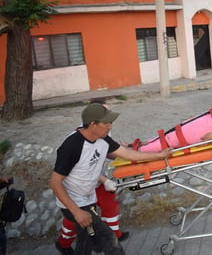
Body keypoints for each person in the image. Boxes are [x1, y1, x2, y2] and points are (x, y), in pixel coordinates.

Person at [50, 103, 172, 254]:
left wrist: (159, 155)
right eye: (106, 123)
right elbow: (55, 183)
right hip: (74, 203)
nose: (110, 127)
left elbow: (128, 154)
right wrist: (76, 211)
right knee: (108, 237)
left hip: (88, 199)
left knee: (86, 240)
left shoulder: (103, 140)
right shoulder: (72, 146)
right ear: (93, 124)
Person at [55, 102, 129, 255]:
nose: (110, 124)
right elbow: (80, 169)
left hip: (90, 191)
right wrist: (104, 180)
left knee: (95, 225)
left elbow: (108, 151)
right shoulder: (75, 142)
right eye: (106, 119)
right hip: (78, 196)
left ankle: (108, 237)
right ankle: (63, 243)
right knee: (79, 222)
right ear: (93, 121)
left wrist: (130, 150)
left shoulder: (102, 133)